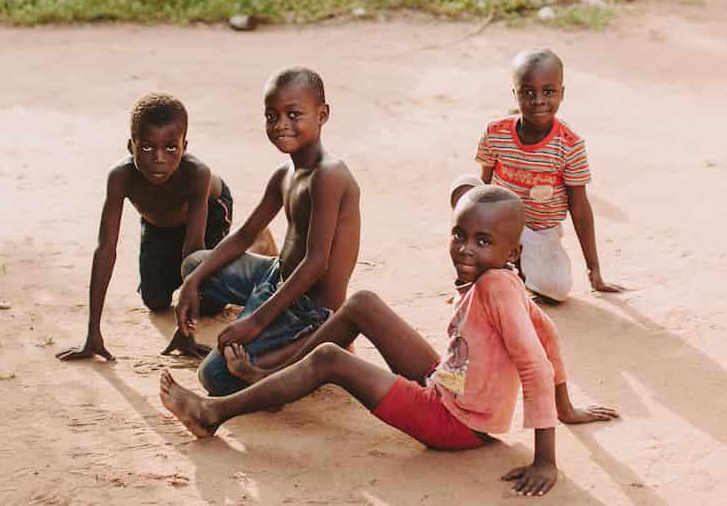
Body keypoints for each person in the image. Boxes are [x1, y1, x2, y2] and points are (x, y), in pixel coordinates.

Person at [159, 185, 618, 499]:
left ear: (512, 252)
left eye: (483, 241)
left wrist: (545, 459)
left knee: (330, 359)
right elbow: (549, 333)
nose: (465, 249)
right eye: (459, 235)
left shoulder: (498, 287)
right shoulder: (503, 279)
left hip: (454, 422)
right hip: (451, 385)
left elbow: (535, 362)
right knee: (362, 304)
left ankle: (214, 413)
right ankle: (270, 380)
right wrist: (565, 405)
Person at [174, 67, 361, 396]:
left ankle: (322, 339)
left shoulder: (328, 176)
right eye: (271, 116)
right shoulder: (285, 173)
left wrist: (256, 320)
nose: (280, 125)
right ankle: (301, 338)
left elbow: (317, 262)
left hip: (310, 306)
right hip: (276, 276)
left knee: (216, 378)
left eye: (294, 114)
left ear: (323, 115)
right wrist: (193, 281)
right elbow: (246, 234)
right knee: (195, 265)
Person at [58, 93, 237, 362]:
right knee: (154, 300)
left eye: (171, 148)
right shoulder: (121, 177)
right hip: (159, 221)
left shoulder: (197, 174)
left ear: (184, 146)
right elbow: (105, 250)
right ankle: (212, 255)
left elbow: (193, 250)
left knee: (210, 300)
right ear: (131, 146)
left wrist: (185, 330)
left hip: (208, 214)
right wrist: (92, 332)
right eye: (147, 148)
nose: (159, 158)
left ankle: (249, 245)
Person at [475, 49, 622, 303]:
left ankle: (515, 266)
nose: (538, 100)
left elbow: (580, 208)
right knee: (466, 189)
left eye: (549, 91)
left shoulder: (569, 144)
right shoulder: (495, 132)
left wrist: (594, 271)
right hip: (499, 225)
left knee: (556, 290)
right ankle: (491, 266)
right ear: (515, 94)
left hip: (540, 229)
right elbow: (483, 186)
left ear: (562, 93)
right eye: (527, 92)